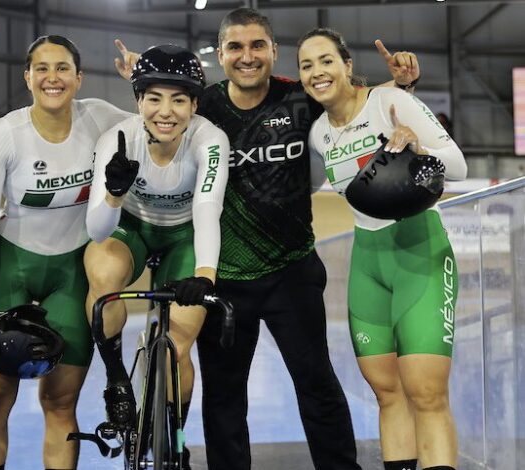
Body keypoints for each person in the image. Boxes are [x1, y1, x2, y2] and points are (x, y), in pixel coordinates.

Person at [112, 7, 421, 470]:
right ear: (220, 55)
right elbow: (160, 112)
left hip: (291, 270)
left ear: (274, 51)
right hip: (224, 277)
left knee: (316, 383)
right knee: (225, 399)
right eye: (235, 47)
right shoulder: (204, 105)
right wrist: (149, 71)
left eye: (258, 45)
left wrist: (402, 87)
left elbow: (355, 105)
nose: (247, 56)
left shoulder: (301, 98)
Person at [0, 35, 130, 470]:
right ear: (28, 78)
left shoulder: (100, 118)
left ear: (79, 78)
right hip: (11, 267)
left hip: (72, 269)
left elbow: (158, 118)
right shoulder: (5, 134)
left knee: (60, 403)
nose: (52, 78)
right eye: (41, 69)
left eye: (62, 68)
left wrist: (140, 77)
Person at [300, 28, 466, 470]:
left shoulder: (391, 102)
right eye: (306, 65)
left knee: (426, 392)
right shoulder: (319, 133)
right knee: (387, 393)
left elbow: (458, 166)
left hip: (418, 248)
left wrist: (419, 145)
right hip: (367, 260)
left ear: (347, 65)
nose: (317, 72)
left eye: (326, 61)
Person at [85, 45, 229, 465]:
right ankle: (116, 380)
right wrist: (113, 194)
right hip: (132, 228)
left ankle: (175, 435)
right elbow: (96, 230)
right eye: (154, 99)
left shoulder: (209, 139)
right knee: (103, 272)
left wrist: (204, 276)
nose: (166, 112)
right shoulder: (117, 139)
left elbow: (207, 211)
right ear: (138, 101)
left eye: (179, 100)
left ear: (194, 105)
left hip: (185, 234)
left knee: (177, 347)